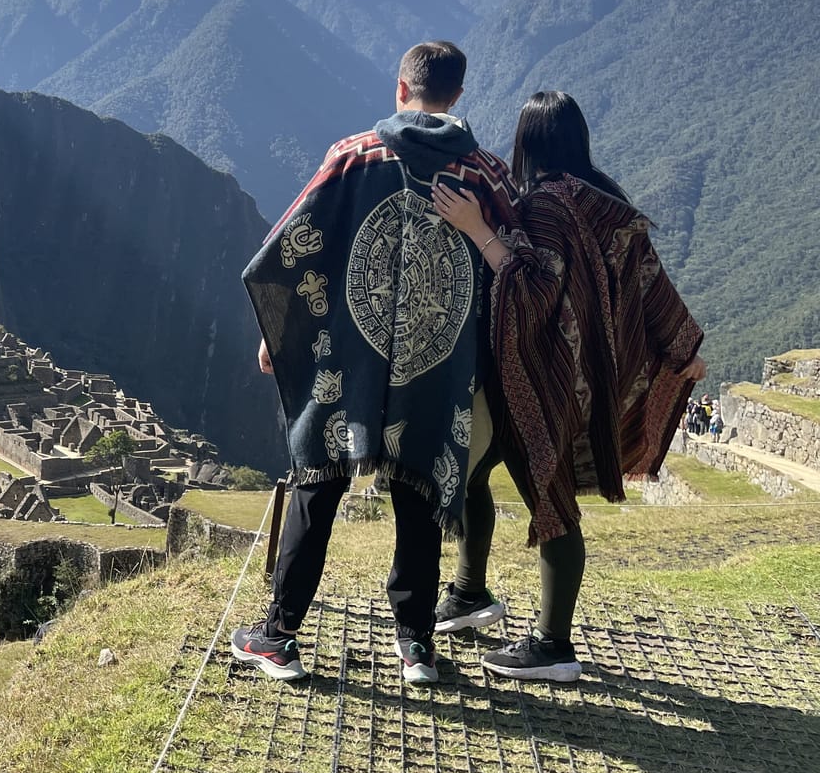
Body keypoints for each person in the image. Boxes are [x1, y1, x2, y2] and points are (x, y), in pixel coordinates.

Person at [231, 42, 517, 686]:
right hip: (436, 366)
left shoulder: (352, 157)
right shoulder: (485, 175)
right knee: (420, 485)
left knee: (317, 480)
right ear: (458, 97)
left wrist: (282, 334)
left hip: (347, 360)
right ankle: (416, 645)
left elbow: (291, 246)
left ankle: (279, 635)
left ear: (400, 89)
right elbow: (517, 267)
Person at [433, 91, 705, 682]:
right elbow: (651, 283)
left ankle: (554, 646)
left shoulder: (548, 206)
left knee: (549, 504)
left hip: (545, 378)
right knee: (477, 476)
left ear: (528, 142)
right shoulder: (607, 201)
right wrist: (683, 348)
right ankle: (468, 593)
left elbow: (533, 289)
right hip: (584, 380)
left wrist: (478, 229)